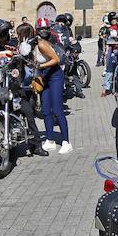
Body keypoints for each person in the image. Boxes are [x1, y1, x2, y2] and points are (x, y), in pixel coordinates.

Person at [0, 19, 48, 161]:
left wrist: (23, 59)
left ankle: (36, 145)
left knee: (28, 110)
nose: (3, 37)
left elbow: (22, 59)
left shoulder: (12, 46)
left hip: (12, 87)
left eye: (4, 33)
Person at [33, 18, 71, 154]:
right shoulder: (35, 42)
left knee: (57, 109)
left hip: (55, 76)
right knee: (45, 110)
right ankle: (50, 139)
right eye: (41, 29)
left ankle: (66, 141)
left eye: (46, 28)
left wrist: (41, 65)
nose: (44, 31)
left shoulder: (50, 41)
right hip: (44, 77)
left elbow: (56, 59)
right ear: (36, 30)